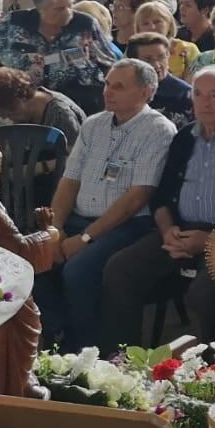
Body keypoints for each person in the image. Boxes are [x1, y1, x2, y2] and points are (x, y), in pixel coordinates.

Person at [98, 66, 215, 352]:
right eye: (198, 94)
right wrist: (168, 230)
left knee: (205, 293)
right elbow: (161, 197)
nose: (205, 102)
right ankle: (125, 360)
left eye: (214, 94)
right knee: (119, 270)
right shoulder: (184, 138)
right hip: (179, 231)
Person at [36, 59, 177, 350]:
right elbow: (69, 180)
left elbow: (137, 198)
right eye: (107, 84)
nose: (107, 92)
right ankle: (59, 333)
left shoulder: (158, 130)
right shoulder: (94, 123)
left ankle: (85, 352)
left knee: (78, 270)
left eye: (119, 86)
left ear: (146, 92)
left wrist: (85, 239)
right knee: (34, 257)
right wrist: (56, 229)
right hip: (77, 218)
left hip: (127, 224)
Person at [0, 67, 86, 147]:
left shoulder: (61, 115)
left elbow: (75, 159)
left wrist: (32, 168)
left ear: (22, 98)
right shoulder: (24, 116)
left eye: (10, 112)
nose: (6, 118)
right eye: (1, 114)